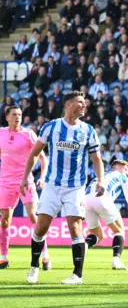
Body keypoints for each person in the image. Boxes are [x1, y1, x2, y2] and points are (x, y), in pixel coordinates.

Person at [22, 91, 105, 285]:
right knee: (41, 226)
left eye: (84, 103)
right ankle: (34, 266)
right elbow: (35, 153)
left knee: (75, 228)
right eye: (80, 102)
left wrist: (100, 180)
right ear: (68, 105)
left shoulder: (88, 130)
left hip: (75, 187)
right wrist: (26, 177)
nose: (84, 105)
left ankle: (77, 275)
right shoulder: (51, 127)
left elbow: (96, 159)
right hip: (52, 185)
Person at [0, 105, 50, 270]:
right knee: (5, 220)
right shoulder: (1, 133)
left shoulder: (29, 134)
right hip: (6, 182)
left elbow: (43, 159)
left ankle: (44, 256)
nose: (17, 117)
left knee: (33, 217)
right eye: (14, 114)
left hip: (25, 181)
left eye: (20, 114)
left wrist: (42, 178)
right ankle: (4, 258)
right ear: (7, 117)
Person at [84, 160, 128, 270]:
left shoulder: (101, 175)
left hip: (86, 200)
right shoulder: (121, 177)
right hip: (103, 198)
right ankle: (116, 261)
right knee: (119, 231)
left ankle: (81, 248)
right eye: (126, 170)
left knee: (98, 236)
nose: (127, 173)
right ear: (117, 167)